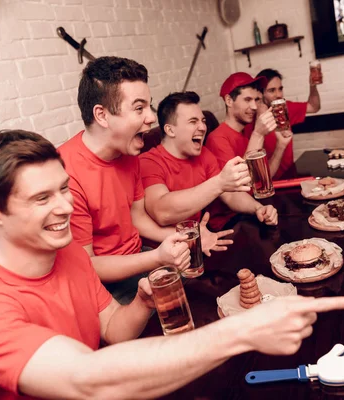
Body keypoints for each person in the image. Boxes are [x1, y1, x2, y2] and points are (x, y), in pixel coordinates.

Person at [0, 129, 344, 400]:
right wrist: (245, 330)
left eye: (64, 189)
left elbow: (112, 332)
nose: (66, 207)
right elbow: (88, 380)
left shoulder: (65, 254)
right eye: (42, 198)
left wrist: (141, 301)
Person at [58, 57, 231, 303]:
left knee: (216, 281)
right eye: (139, 108)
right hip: (106, 284)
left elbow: (136, 217)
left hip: (141, 257)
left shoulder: (128, 150)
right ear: (102, 115)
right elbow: (88, 267)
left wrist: (184, 239)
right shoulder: (65, 174)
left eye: (149, 107)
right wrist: (157, 258)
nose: (151, 118)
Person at [139, 91, 278, 230]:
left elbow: (229, 196)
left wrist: (258, 208)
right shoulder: (148, 162)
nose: (203, 127)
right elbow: (163, 213)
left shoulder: (204, 154)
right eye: (193, 121)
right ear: (170, 130)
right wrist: (219, 183)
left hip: (199, 238)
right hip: (162, 247)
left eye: (203, 121)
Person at [205, 72, 282, 229]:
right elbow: (236, 185)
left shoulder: (245, 137)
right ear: (228, 100)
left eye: (256, 100)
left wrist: (281, 144)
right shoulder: (217, 138)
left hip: (249, 210)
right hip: (228, 222)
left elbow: (263, 178)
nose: (254, 107)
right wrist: (258, 134)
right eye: (247, 100)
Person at [247, 68, 322, 179]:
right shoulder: (251, 118)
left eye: (280, 89)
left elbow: (314, 107)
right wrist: (260, 108)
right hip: (267, 180)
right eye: (272, 90)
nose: (278, 94)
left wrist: (313, 86)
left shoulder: (284, 108)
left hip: (289, 175)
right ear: (260, 93)